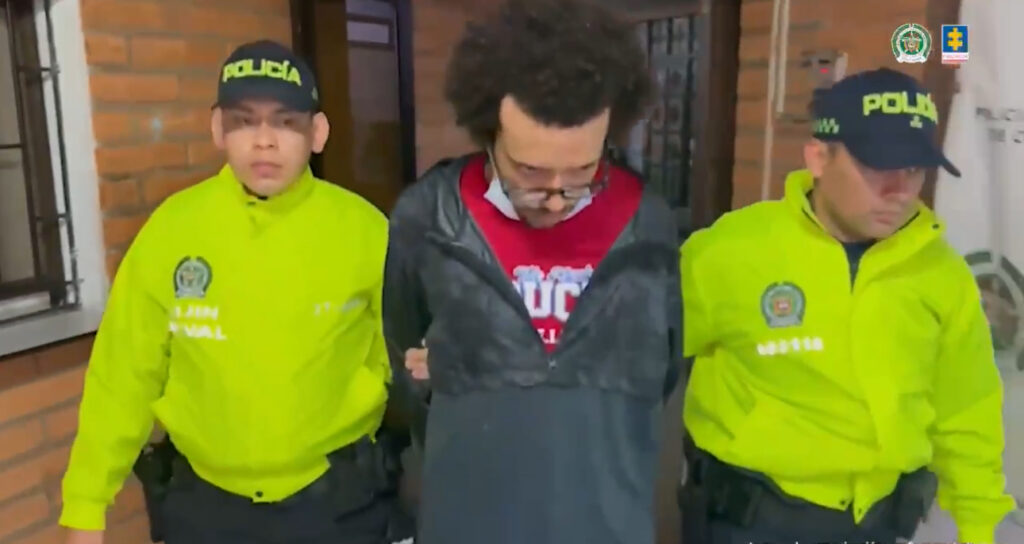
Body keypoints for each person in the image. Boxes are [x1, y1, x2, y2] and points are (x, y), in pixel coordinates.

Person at [60, 40, 411, 544]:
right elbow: (123, 376)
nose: (264, 141)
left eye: (286, 122)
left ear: (317, 133)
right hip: (204, 508)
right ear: (217, 129)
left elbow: (407, 356)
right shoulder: (173, 230)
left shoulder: (366, 232)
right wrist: (86, 505)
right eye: (244, 121)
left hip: (337, 503)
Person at [382, 0, 681, 543]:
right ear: (489, 134)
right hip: (467, 517)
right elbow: (405, 349)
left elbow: (661, 372)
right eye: (530, 172)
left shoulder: (648, 222)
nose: (557, 198)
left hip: (606, 520)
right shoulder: (431, 216)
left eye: (583, 170)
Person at [677, 68, 1016, 544]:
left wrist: (978, 528)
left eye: (914, 170)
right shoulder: (729, 252)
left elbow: (966, 410)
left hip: (878, 526)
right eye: (878, 167)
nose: (900, 191)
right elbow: (638, 369)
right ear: (818, 157)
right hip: (751, 522)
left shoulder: (941, 275)